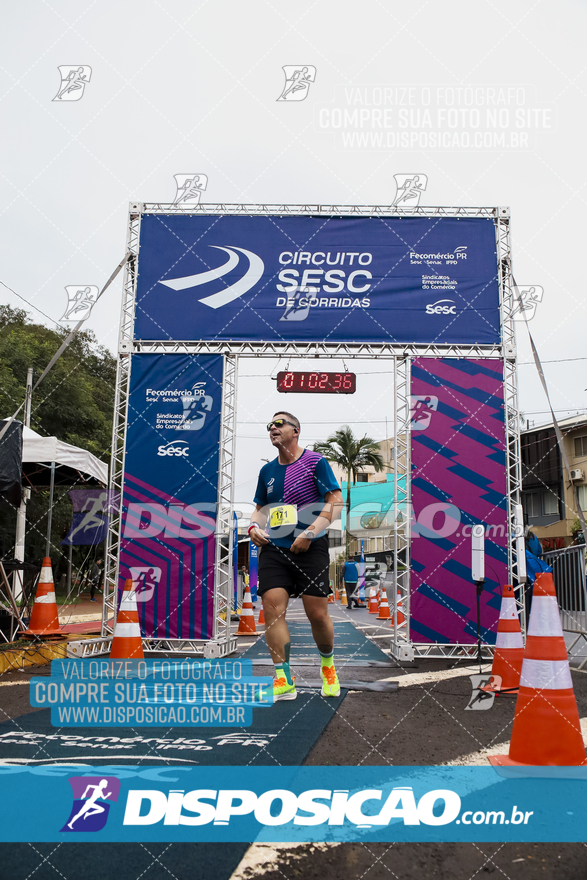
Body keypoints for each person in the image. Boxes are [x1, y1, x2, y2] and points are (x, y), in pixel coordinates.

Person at [249, 412, 343, 702]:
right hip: (275, 548)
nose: (273, 428)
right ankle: (283, 679)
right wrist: (252, 526)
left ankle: (327, 667)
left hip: (311, 546)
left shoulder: (315, 462)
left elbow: (335, 502)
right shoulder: (267, 472)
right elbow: (260, 509)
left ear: (296, 431)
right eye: (270, 426)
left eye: (279, 424)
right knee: (272, 611)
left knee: (317, 613)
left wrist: (311, 533)